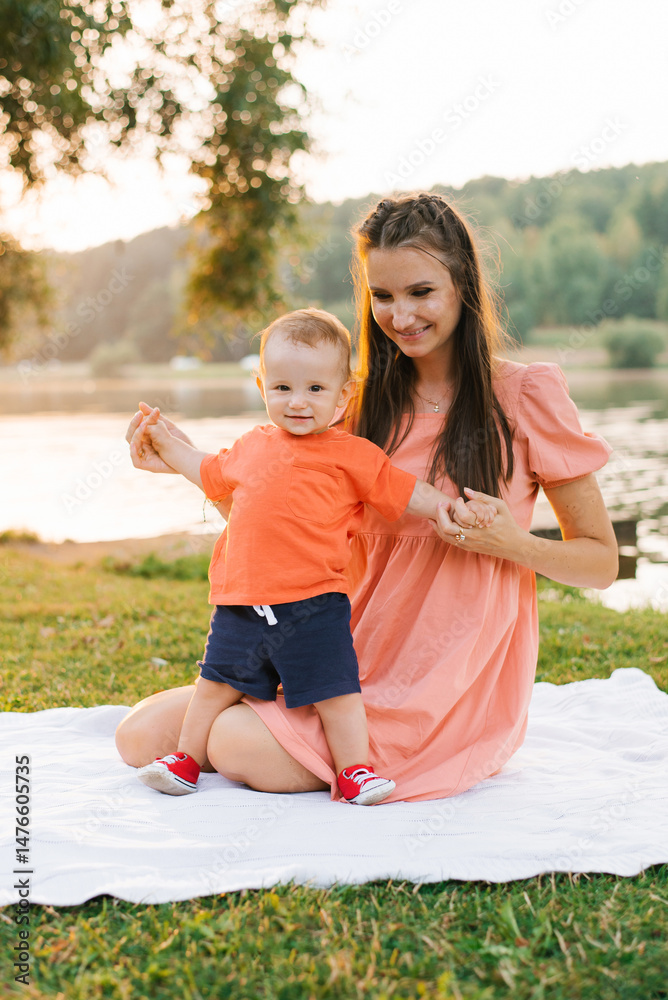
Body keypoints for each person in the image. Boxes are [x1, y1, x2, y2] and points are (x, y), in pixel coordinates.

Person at [117, 192, 618, 805]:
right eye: (383, 296)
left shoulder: (527, 394)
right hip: (333, 647)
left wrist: (512, 543)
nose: (400, 316)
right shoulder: (352, 405)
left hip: (436, 680)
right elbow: (280, 522)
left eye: (421, 292)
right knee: (138, 736)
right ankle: (279, 720)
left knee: (233, 743)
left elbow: (601, 563)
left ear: (463, 284)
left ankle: (307, 740)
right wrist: (180, 461)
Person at [131, 307, 497, 804]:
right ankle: (185, 760)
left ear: (343, 395)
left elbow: (404, 489)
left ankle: (354, 772)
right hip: (242, 605)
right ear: (262, 387)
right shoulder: (249, 446)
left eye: (315, 389)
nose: (298, 402)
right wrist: (165, 442)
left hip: (314, 607)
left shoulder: (351, 455)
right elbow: (205, 468)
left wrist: (444, 507)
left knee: (336, 692)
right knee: (214, 685)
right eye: (282, 388)